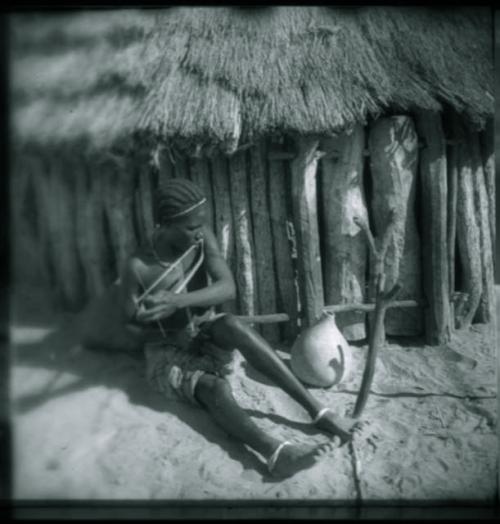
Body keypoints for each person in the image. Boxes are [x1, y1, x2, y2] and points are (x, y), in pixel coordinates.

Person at [119, 178, 357, 479]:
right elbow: (128, 328)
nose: (199, 232)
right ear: (165, 224)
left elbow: (227, 288)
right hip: (167, 354)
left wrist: (179, 301)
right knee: (215, 388)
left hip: (204, 333)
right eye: (191, 227)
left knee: (232, 324)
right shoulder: (138, 266)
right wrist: (161, 331)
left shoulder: (201, 239)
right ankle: (277, 453)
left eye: (200, 225)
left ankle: (319, 412)